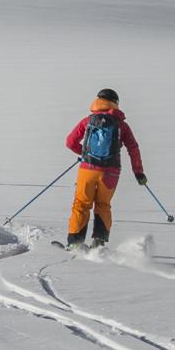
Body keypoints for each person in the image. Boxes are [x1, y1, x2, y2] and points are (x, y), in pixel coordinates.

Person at [63, 87, 146, 248]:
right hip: (111, 172)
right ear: (115, 103)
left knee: (81, 204)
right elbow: (133, 148)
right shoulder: (122, 125)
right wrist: (139, 173)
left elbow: (70, 142)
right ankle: (99, 243)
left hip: (87, 170)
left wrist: (86, 153)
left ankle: (75, 243)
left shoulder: (88, 121)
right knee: (103, 205)